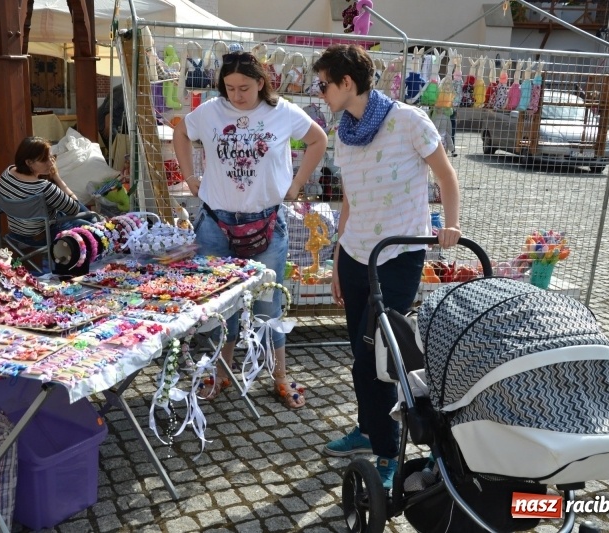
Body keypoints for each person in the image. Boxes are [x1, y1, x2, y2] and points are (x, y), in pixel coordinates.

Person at [312, 44, 461, 489]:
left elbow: (446, 175)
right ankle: (366, 429)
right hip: (358, 255)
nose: (320, 93)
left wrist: (450, 225)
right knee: (361, 356)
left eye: (324, 85)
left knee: (376, 358)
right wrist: (339, 258)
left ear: (347, 83)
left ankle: (385, 450)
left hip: (398, 256)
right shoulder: (345, 132)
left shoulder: (408, 121)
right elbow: (350, 201)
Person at [173, 50, 328, 409]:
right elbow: (181, 133)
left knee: (269, 305)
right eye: (229, 88)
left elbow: (317, 140)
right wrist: (190, 176)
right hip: (216, 224)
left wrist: (296, 184)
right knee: (217, 306)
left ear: (261, 82)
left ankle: (280, 377)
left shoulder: (283, 112)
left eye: (244, 87)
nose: (236, 95)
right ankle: (219, 372)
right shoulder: (210, 112)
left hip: (267, 225)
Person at [0, 136, 96, 245]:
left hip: (17, 231)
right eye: (44, 160)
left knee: (84, 216)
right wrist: (57, 178)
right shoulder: (45, 188)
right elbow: (75, 209)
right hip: (43, 236)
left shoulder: (7, 173)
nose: (50, 163)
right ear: (29, 162)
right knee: (92, 222)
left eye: (51, 157)